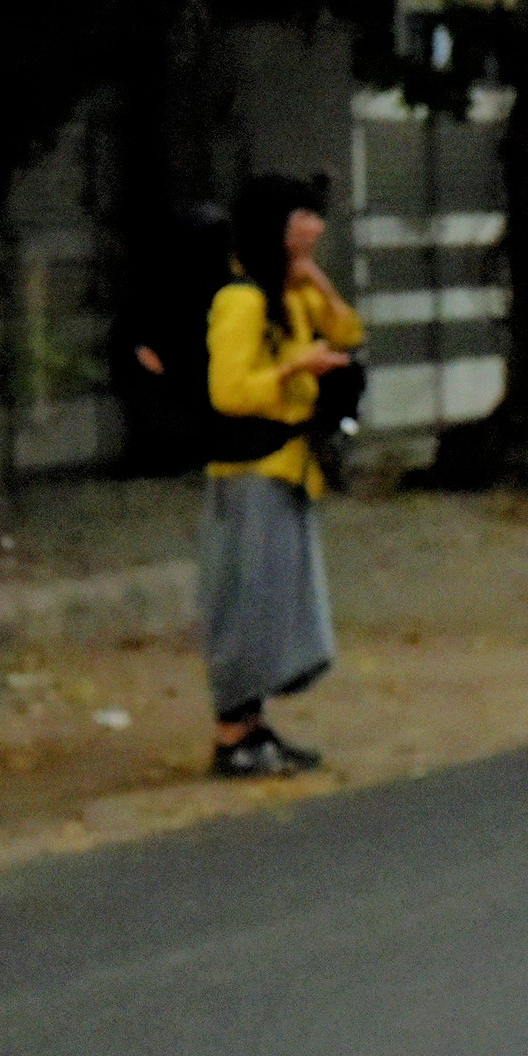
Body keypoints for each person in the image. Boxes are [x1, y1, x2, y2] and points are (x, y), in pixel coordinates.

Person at [202, 174, 363, 777]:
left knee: (276, 603)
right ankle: (232, 736)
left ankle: (255, 727)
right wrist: (297, 367)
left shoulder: (287, 294)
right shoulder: (241, 301)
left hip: (289, 470)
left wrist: (316, 282)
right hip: (251, 470)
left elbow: (348, 333)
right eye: (302, 216)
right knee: (246, 600)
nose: (315, 228)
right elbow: (229, 390)